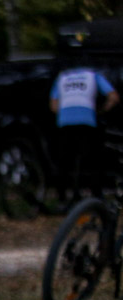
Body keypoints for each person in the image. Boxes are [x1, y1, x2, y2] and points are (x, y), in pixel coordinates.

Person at [50, 59, 119, 198]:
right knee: (92, 159)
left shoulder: (62, 78)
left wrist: (64, 114)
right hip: (87, 119)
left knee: (64, 160)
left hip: (65, 121)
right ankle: (96, 194)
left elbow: (53, 104)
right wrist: (101, 110)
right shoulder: (93, 76)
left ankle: (62, 197)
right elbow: (114, 97)